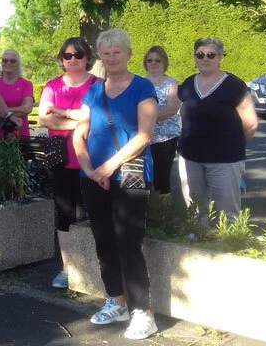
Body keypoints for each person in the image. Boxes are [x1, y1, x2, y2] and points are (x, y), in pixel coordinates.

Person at [72, 29, 159, 340]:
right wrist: (89, 167)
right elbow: (79, 132)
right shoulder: (94, 91)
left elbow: (144, 135)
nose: (111, 57)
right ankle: (117, 301)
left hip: (129, 176)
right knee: (104, 242)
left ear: (128, 53)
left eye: (117, 52)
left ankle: (142, 312)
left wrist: (108, 166)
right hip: (94, 178)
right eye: (106, 53)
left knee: (128, 244)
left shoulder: (142, 87)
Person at [38, 37, 97, 289]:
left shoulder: (98, 85)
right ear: (61, 60)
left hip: (92, 160)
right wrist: (80, 122)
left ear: (87, 58)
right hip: (61, 159)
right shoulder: (52, 86)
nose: (73, 60)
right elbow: (44, 120)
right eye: (67, 56)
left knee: (90, 214)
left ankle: (89, 267)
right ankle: (66, 268)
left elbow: (101, 118)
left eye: (78, 55)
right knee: (64, 214)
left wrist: (61, 114)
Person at [177, 37, 258, 222]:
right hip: (190, 158)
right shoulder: (188, 83)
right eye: (200, 55)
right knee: (195, 210)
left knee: (227, 211)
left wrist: (230, 144)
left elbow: (251, 124)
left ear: (220, 57)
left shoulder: (234, 85)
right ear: (195, 57)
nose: (205, 58)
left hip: (225, 160)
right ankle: (197, 243)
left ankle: (228, 246)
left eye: (211, 55)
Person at [143, 46, 181, 196]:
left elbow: (171, 108)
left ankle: (163, 216)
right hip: (142, 138)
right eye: (149, 60)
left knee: (162, 179)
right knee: (142, 178)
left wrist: (145, 119)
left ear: (164, 62)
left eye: (157, 60)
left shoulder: (172, 84)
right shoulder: (139, 82)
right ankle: (146, 214)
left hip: (165, 139)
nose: (153, 63)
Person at [0, 49, 33, 139]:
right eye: (5, 60)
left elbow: (27, 108)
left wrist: (3, 111)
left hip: (19, 133)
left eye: (13, 61)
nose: (8, 63)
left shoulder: (26, 84)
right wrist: (17, 110)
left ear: (18, 63)